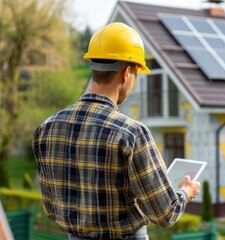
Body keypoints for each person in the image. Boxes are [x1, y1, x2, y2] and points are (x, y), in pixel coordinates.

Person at [32, 22, 201, 240]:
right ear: (125, 73)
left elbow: (51, 208)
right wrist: (185, 192)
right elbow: (165, 213)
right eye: (136, 74)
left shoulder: (46, 128)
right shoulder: (132, 133)